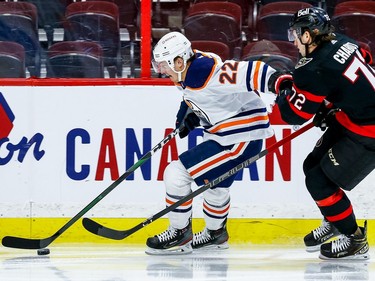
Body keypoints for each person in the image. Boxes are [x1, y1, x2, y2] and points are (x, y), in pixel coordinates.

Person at [145, 31, 278, 255]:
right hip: (228, 135)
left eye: (163, 66)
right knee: (216, 184)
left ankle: (179, 232)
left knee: (176, 174)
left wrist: (281, 83)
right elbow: (196, 97)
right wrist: (187, 116)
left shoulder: (206, 72)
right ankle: (215, 234)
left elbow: (253, 71)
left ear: (178, 61)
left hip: (239, 138)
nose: (161, 71)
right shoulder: (187, 71)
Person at [273, 7, 375, 260]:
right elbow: (367, 61)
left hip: (369, 129)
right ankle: (335, 220)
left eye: (297, 34)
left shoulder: (311, 68)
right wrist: (332, 102)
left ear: (309, 35)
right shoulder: (344, 41)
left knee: (319, 181)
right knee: (312, 165)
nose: (294, 40)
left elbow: (295, 115)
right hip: (354, 117)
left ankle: (354, 239)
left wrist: (284, 90)